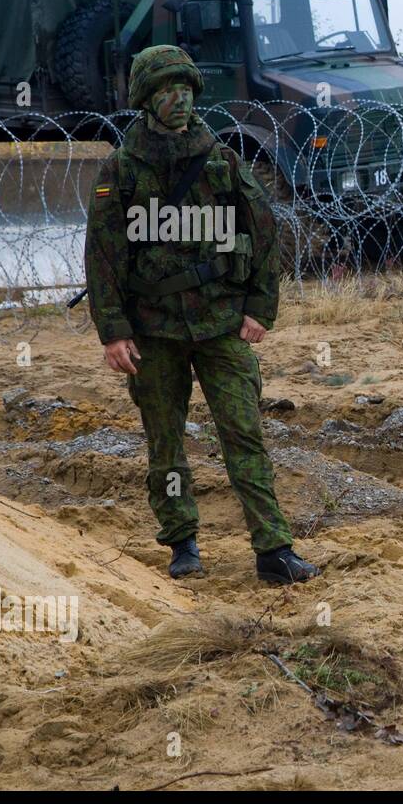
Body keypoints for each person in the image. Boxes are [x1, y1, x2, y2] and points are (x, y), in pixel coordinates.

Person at [83, 44, 319, 585]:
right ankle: (182, 543)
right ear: (147, 100)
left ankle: (273, 550)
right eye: (169, 91)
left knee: (245, 434)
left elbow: (264, 232)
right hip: (153, 331)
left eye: (187, 90)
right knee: (165, 442)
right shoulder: (121, 169)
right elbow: (102, 255)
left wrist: (261, 308)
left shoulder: (221, 159)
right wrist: (113, 332)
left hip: (221, 324)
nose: (181, 101)